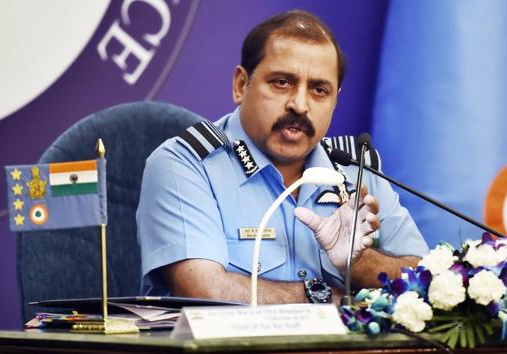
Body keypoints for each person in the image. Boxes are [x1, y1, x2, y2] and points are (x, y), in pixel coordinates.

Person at [136, 9, 428, 304]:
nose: (300, 105)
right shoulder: (185, 166)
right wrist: (327, 298)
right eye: (282, 82)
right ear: (241, 85)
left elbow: (427, 279)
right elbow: (203, 291)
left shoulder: (357, 171)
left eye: (319, 90)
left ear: (335, 100)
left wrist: (359, 263)